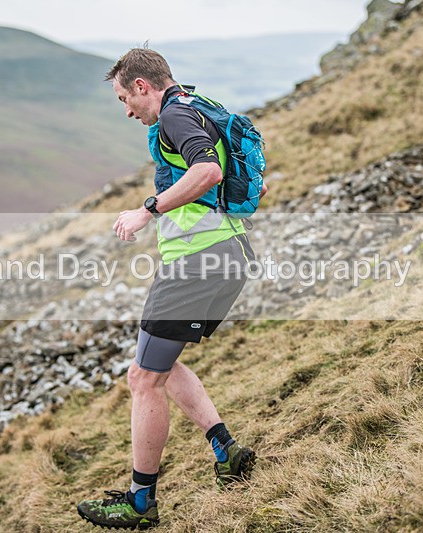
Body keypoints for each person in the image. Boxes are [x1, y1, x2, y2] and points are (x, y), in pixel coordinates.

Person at [77, 48, 267, 530]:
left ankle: (140, 502)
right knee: (158, 362)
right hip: (228, 253)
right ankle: (225, 450)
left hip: (198, 261)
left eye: (125, 98)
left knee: (143, 379)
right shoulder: (201, 104)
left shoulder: (172, 118)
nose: (127, 111)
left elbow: (208, 172)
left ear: (143, 86)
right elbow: (248, 182)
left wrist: (148, 210)